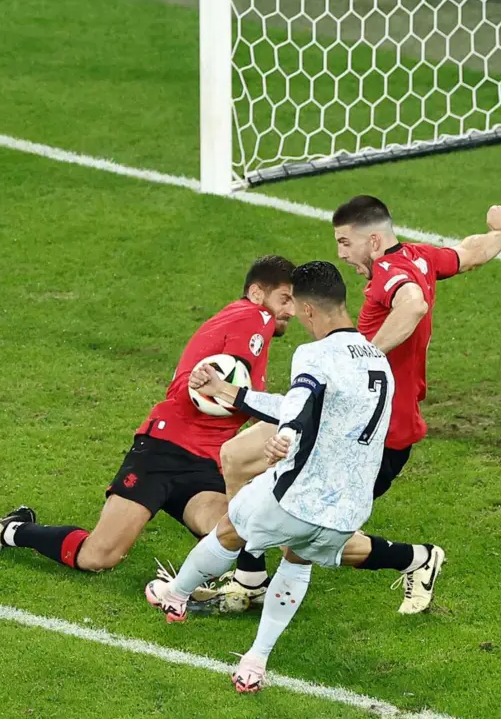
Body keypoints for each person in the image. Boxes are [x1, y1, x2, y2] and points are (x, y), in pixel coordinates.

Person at [208, 195, 501, 613]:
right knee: (237, 458)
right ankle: (250, 577)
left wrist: (367, 357)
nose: (339, 253)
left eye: (344, 242)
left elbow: (413, 303)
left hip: (374, 434)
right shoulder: (419, 257)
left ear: (373, 241)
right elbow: (469, 254)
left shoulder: (392, 272)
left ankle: (418, 559)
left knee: (305, 538)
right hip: (339, 415)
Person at [144, 261, 442, 693]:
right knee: (297, 561)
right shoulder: (377, 358)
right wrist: (230, 393)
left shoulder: (315, 354)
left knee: (229, 531)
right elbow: (306, 404)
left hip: (298, 494)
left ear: (306, 310)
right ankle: (255, 661)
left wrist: (285, 438)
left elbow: (299, 405)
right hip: (348, 507)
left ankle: (176, 596)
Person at [0, 256, 296, 570]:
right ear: (257, 293)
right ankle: (13, 530)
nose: (291, 311)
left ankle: (243, 587)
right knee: (99, 556)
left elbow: (248, 401)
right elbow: (229, 387)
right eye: (284, 299)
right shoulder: (256, 318)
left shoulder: (245, 327)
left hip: (205, 462)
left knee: (232, 531)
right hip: (164, 449)